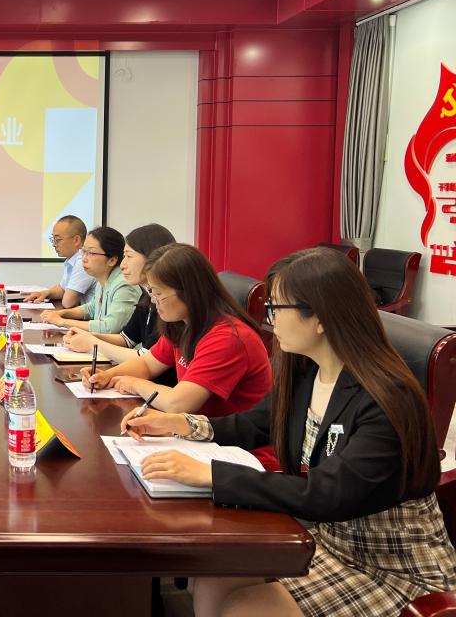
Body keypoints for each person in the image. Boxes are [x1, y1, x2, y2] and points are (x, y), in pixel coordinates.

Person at [122, 248, 456, 617]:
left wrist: (211, 475)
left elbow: (327, 493)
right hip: (328, 542)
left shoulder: (387, 397)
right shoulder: (306, 372)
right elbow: (254, 424)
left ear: (321, 318)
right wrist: (182, 424)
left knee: (244, 608)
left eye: (276, 309)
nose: (270, 321)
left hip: (393, 569)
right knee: (215, 575)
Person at [81, 243, 270, 419]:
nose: (153, 300)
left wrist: (135, 384)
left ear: (188, 292)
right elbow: (147, 364)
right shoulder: (181, 323)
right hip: (194, 428)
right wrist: (107, 376)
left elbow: (178, 404)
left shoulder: (227, 338)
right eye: (151, 292)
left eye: (158, 293)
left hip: (230, 440)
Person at [63, 223, 176, 365]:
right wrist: (87, 336)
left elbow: (147, 359)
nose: (122, 264)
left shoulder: (168, 304)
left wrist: (92, 343)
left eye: (129, 256)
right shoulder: (148, 296)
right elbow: (126, 339)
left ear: (153, 258)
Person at [38, 226, 141, 334]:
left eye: (91, 253)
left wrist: (62, 322)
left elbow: (109, 327)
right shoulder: (103, 279)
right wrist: (61, 313)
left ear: (112, 260)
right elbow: (90, 309)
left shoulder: (124, 286)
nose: (84, 258)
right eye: (84, 251)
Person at [25, 215, 96, 308]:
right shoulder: (72, 260)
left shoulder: (83, 261)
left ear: (76, 240)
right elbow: (62, 288)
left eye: (58, 240)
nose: (54, 245)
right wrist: (45, 293)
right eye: (53, 240)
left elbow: (68, 302)